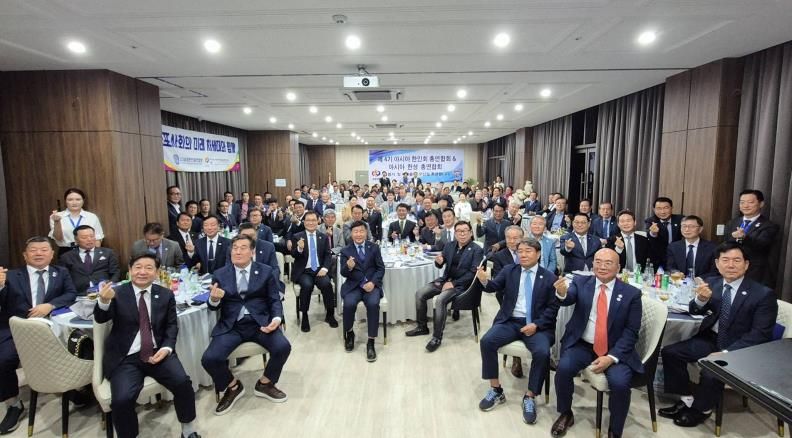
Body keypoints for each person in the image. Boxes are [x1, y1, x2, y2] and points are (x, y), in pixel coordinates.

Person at [659, 242, 777, 428]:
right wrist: (700, 299)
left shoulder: (762, 294)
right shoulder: (712, 283)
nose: (731, 265)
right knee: (670, 352)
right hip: (712, 340)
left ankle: (702, 409)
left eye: (736, 260)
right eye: (725, 260)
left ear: (746, 264)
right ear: (717, 263)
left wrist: (727, 353)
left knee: (711, 370)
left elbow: (761, 334)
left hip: (741, 349)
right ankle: (687, 399)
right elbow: (695, 310)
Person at [93, 254, 200, 438]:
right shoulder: (117, 293)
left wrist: (166, 348)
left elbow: (171, 326)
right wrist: (103, 301)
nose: (142, 272)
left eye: (149, 268)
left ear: (157, 272)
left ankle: (188, 430)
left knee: (183, 383)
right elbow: (101, 318)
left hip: (158, 352)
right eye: (138, 267)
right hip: (126, 357)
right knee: (122, 399)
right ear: (130, 270)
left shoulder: (165, 294)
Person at [551, 248, 643, 438]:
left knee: (620, 383)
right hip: (583, 344)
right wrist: (562, 293)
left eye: (608, 263)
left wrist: (611, 357)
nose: (602, 267)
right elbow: (568, 298)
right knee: (563, 369)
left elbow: (631, 331)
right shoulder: (581, 282)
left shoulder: (631, 293)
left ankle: (615, 431)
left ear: (618, 267)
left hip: (614, 349)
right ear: (592, 264)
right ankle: (566, 413)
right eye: (598, 262)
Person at [201, 235, 290, 415]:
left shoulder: (265, 271)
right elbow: (212, 306)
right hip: (232, 325)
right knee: (210, 359)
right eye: (235, 248)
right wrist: (214, 299)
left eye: (243, 248)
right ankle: (233, 386)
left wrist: (276, 320)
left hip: (260, 323)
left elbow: (274, 300)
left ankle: (265, 383)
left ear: (252, 252)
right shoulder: (220, 274)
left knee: (283, 347)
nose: (238, 251)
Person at [476, 238, 559, 424]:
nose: (523, 255)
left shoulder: (549, 277)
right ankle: (496, 389)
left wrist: (536, 325)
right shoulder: (510, 271)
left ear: (538, 254)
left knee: (542, 352)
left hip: (537, 324)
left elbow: (552, 308)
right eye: (520, 251)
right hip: (510, 321)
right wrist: (484, 280)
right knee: (487, 341)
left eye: (528, 251)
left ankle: (530, 396)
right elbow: (494, 287)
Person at [0, 237, 77, 434]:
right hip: (16, 327)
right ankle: (13, 404)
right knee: (3, 359)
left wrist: (49, 305)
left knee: (78, 348)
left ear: (52, 254)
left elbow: (70, 294)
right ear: (25, 255)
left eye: (44, 249)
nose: (39, 253)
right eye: (33, 250)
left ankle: (72, 388)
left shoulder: (61, 272)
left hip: (51, 325)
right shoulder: (11, 275)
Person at [405, 221, 483, 352]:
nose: (462, 234)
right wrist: (438, 262)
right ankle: (422, 327)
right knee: (420, 293)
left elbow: (472, 274)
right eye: (459, 231)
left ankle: (436, 338)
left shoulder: (477, 250)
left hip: (463, 286)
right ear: (455, 233)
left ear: (470, 233)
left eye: (465, 231)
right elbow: (441, 264)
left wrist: (454, 284)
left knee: (440, 300)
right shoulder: (449, 246)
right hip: (445, 280)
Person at [339, 221, 386, 362]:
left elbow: (380, 268)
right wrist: (348, 267)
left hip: (371, 286)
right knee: (349, 304)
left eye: (361, 231)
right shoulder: (345, 251)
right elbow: (343, 273)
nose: (358, 234)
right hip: (353, 286)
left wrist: (373, 283)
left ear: (366, 233)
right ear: (351, 234)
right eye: (356, 232)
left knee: (373, 304)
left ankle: (371, 341)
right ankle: (349, 333)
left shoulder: (374, 247)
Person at [290, 211, 337, 332]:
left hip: (319, 270)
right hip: (304, 271)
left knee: (326, 284)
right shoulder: (297, 236)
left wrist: (325, 268)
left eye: (313, 220)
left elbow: (328, 255)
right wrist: (299, 248)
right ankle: (305, 315)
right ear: (304, 222)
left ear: (318, 222)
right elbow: (294, 255)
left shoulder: (323, 237)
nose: (311, 223)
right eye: (308, 220)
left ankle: (330, 314)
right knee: (307, 285)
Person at [724, 189, 780, 286]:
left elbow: (761, 245)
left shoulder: (769, 225)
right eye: (742, 202)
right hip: (732, 270)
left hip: (755, 272)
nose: (745, 206)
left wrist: (744, 237)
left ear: (761, 204)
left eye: (750, 202)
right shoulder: (732, 223)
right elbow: (725, 244)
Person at [58, 225, 120, 295]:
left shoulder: (108, 253)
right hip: (79, 294)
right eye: (84, 237)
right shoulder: (66, 257)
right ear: (76, 240)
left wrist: (110, 287)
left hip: (104, 292)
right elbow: (63, 278)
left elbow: (115, 273)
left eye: (92, 236)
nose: (89, 239)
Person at [49, 188, 105, 255]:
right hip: (66, 251)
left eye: (78, 199)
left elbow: (97, 239)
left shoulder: (92, 216)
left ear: (83, 201)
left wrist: (95, 255)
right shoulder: (56, 216)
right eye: (70, 200)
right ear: (65, 201)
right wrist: (57, 222)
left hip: (88, 251)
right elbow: (58, 238)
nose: (74, 202)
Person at [237, 223, 284, 298]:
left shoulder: (268, 247)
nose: (249, 239)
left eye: (252, 235)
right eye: (245, 236)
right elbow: (229, 270)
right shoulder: (233, 249)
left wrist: (265, 282)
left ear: (257, 234)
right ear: (239, 236)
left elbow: (275, 269)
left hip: (265, 285)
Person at [645, 196, 684, 267]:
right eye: (659, 208)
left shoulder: (680, 219)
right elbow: (650, 235)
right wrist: (653, 233)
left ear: (671, 208)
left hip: (677, 256)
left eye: (666, 208)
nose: (662, 212)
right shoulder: (651, 220)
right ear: (654, 209)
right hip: (658, 258)